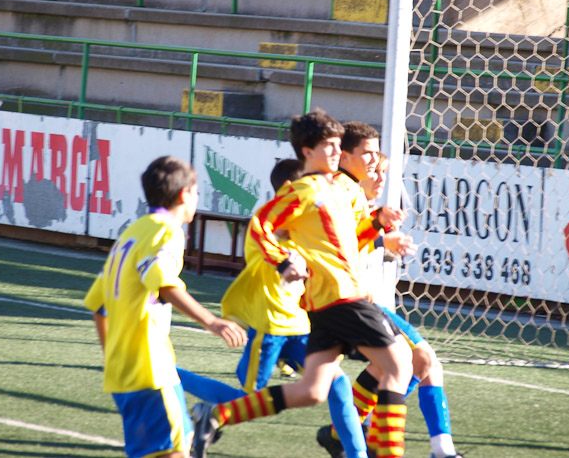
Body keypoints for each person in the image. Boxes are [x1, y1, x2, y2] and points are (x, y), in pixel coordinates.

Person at [191, 109, 414, 458]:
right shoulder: (303, 190)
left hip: (326, 304)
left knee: (313, 390)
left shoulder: (339, 188)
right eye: (329, 146)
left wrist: (379, 224)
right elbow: (260, 226)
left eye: (339, 145)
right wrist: (282, 261)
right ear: (307, 151)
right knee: (399, 364)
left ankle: (216, 414)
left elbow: (353, 238)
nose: (337, 152)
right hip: (341, 296)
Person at [84, 155, 247, 458]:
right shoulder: (167, 231)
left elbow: (98, 305)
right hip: (152, 369)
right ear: (185, 194)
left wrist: (112, 357)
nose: (197, 199)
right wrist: (212, 321)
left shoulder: (131, 234)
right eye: (197, 192)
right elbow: (162, 282)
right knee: (176, 453)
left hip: (122, 371)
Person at [323, 130, 462, 458]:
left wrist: (382, 231)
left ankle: (436, 448)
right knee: (419, 359)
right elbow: (340, 245)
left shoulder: (361, 202)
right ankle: (355, 432)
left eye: (383, 170)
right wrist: (380, 237)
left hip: (359, 301)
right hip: (349, 303)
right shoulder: (345, 194)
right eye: (374, 168)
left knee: (415, 364)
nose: (379, 175)